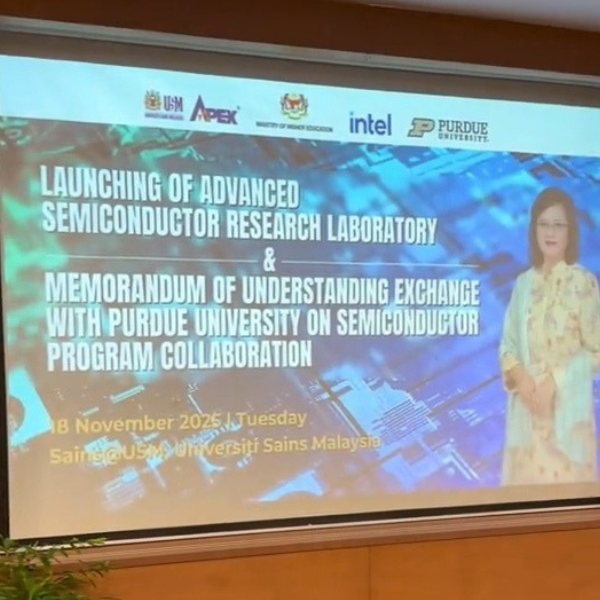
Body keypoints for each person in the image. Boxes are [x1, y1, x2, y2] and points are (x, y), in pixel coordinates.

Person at [499, 187, 600, 485]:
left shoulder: (583, 282)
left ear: (570, 232)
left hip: (567, 428)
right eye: (543, 224)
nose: (550, 232)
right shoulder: (523, 285)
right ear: (534, 230)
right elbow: (508, 345)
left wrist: (554, 381)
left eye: (558, 224)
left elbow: (596, 351)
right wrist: (521, 377)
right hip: (526, 423)